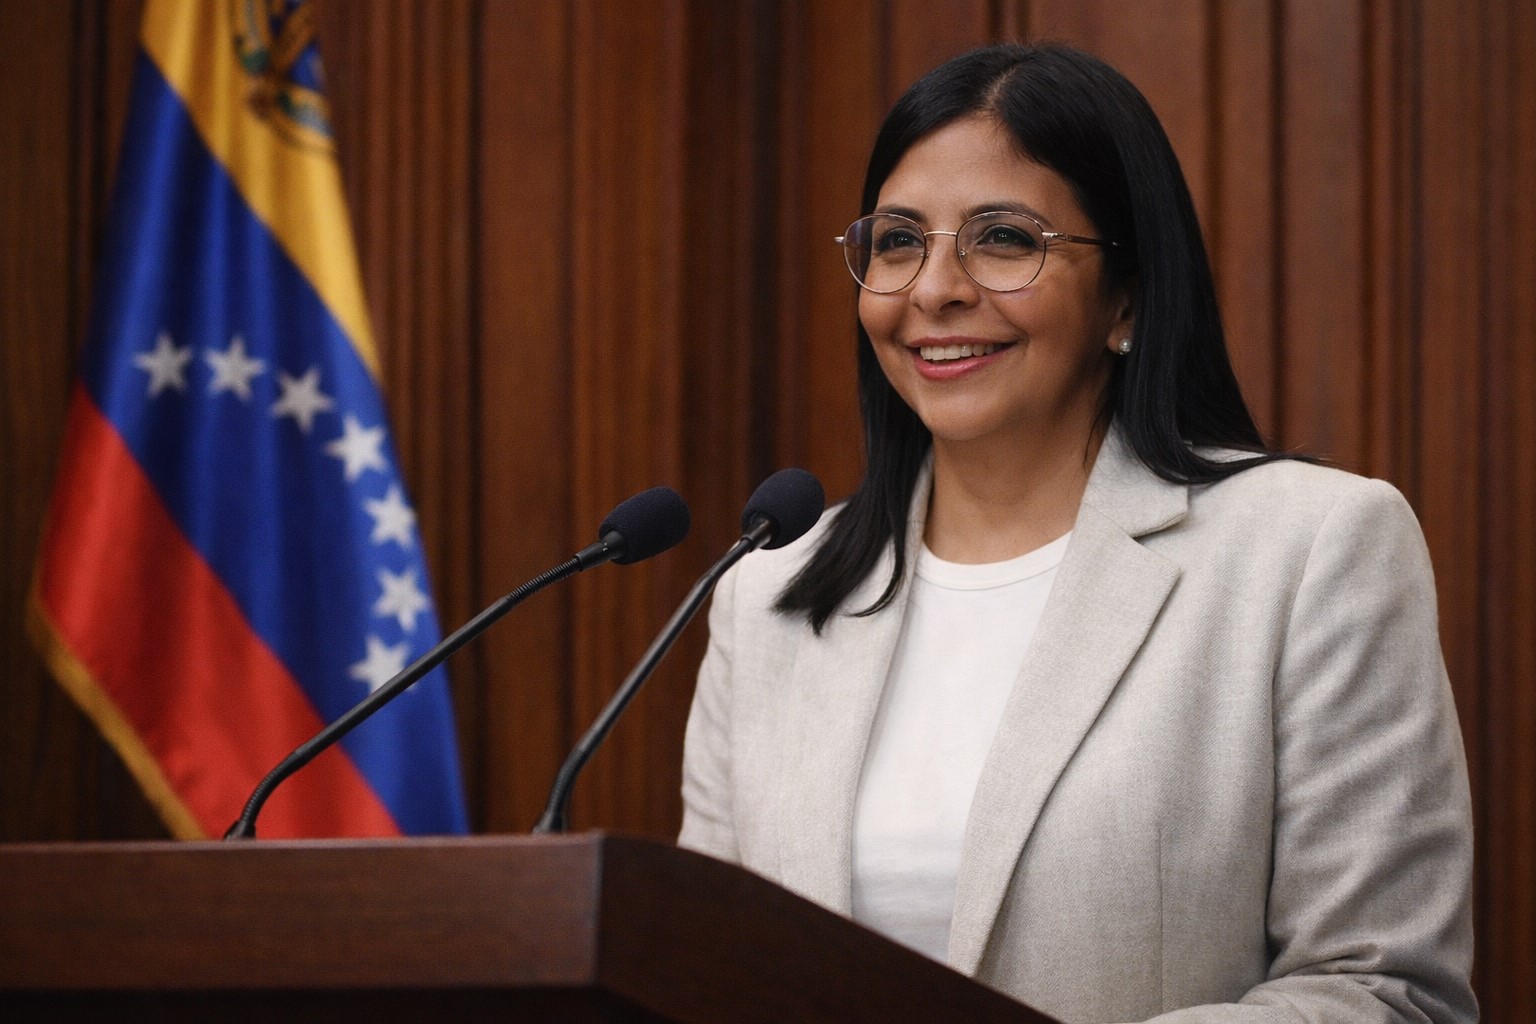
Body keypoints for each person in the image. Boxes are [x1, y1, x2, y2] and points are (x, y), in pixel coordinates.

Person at [678, 43, 1475, 1023]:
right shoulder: (766, 594)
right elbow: (698, 977)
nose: (934, 289)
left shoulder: (1311, 550)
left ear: (1125, 297)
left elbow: (1388, 991)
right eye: (897, 242)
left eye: (1003, 239)